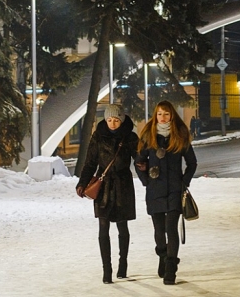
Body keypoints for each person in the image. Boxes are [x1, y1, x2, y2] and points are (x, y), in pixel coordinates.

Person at [135, 100, 197, 285]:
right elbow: (138, 163)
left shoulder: (180, 135)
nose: (163, 117)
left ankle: (171, 268)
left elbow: (192, 163)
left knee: (171, 228)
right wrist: (147, 180)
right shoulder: (148, 135)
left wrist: (183, 182)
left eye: (166, 114)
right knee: (159, 231)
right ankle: (162, 255)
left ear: (172, 116)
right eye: (160, 114)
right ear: (156, 115)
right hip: (155, 191)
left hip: (174, 191)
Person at [77, 104, 139, 284]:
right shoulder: (98, 137)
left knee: (122, 226)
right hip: (103, 186)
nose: (112, 123)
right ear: (105, 119)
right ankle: (107, 270)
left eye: (116, 120)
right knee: (103, 228)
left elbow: (141, 159)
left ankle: (123, 265)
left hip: (123, 186)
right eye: (110, 120)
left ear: (122, 120)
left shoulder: (130, 137)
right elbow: (90, 163)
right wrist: (82, 183)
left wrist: (147, 172)